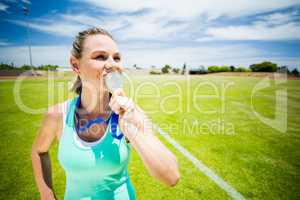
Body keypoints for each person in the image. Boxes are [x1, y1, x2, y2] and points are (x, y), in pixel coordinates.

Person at [31, 27, 180, 200]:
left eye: (116, 57)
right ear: (75, 65)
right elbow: (38, 151)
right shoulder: (58, 115)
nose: (112, 64)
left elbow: (171, 176)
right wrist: (46, 193)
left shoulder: (130, 112)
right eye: (100, 56)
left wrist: (133, 129)